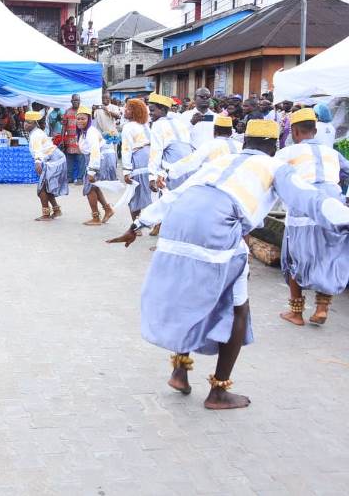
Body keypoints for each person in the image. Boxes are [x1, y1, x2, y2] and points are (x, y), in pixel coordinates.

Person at [107, 119, 349, 409]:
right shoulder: (275, 167)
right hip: (218, 229)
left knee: (190, 296)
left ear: (245, 142)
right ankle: (218, 392)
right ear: (274, 146)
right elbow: (310, 198)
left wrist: (138, 224)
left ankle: (180, 371)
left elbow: (177, 193)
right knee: (239, 311)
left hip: (179, 224)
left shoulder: (221, 161)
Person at [275, 108, 349, 326]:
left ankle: (296, 313)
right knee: (329, 257)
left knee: (293, 259)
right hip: (333, 209)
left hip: (302, 211)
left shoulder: (288, 153)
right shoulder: (333, 153)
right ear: (315, 131)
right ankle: (321, 309)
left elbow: (273, 176)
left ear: (295, 132)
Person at [166, 115, 242, 179]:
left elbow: (192, 161)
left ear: (215, 131)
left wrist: (170, 171)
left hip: (213, 182)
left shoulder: (210, 145)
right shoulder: (240, 146)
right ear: (231, 132)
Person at [147, 93, 193, 194]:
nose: (150, 113)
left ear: (163, 110)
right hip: (188, 169)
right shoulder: (179, 122)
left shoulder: (157, 125)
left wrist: (152, 177)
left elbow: (156, 152)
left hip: (171, 170)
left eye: (152, 110)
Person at [26, 110, 68, 221]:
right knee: (46, 187)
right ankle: (56, 210)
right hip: (55, 159)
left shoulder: (36, 134)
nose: (26, 124)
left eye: (29, 122)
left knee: (41, 189)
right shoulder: (36, 132)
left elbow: (37, 150)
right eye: (25, 121)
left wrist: (38, 162)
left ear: (35, 123)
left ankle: (46, 215)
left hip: (54, 161)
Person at [78, 107, 116, 226]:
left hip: (100, 159)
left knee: (89, 188)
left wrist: (92, 171)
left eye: (83, 119)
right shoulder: (84, 132)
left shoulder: (91, 132)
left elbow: (95, 151)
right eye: (78, 119)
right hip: (97, 159)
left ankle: (96, 217)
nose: (80, 121)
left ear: (89, 119)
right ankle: (108, 209)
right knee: (93, 186)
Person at [119, 99, 153, 224]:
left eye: (128, 109)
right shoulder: (145, 125)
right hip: (149, 158)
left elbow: (126, 149)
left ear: (134, 112)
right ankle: (156, 223)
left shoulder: (128, 127)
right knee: (150, 191)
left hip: (137, 159)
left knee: (134, 192)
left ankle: (136, 224)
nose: (124, 110)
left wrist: (126, 170)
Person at [60, 94, 83, 183]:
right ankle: (69, 178)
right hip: (69, 141)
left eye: (78, 100)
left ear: (80, 101)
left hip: (80, 141)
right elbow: (64, 127)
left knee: (81, 160)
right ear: (71, 101)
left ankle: (80, 178)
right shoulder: (67, 112)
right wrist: (62, 140)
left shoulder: (83, 112)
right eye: (74, 100)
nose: (76, 102)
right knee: (69, 160)